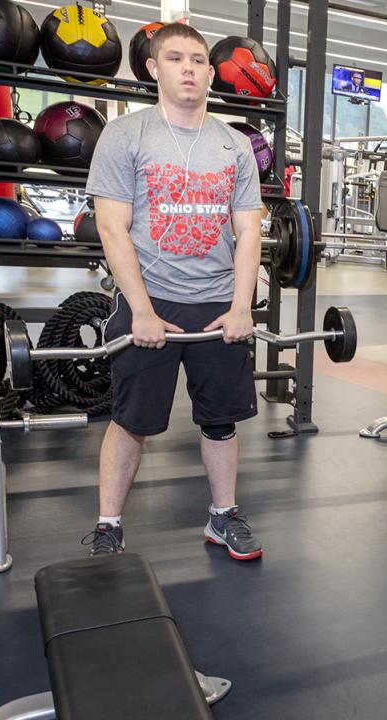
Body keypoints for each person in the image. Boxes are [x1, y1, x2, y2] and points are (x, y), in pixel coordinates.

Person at [81, 23, 265, 560]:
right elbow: (113, 228)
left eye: (198, 60)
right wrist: (139, 309)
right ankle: (109, 524)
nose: (189, 68)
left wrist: (240, 306)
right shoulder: (126, 136)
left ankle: (222, 516)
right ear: (154, 69)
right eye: (176, 58)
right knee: (130, 420)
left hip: (215, 302)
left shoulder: (235, 145)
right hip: (150, 297)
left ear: (210, 72)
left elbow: (249, 230)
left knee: (221, 418)